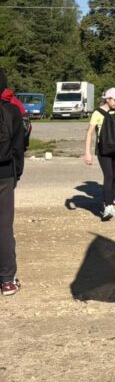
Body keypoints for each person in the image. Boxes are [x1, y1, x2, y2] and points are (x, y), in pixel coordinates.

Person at [82, 88, 115, 221]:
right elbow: (89, 133)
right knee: (108, 175)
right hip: (104, 150)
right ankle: (107, 206)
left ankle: (110, 204)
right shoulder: (97, 113)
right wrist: (87, 153)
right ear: (108, 99)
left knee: (114, 177)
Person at [0, 68, 26, 296]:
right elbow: (19, 148)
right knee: (4, 227)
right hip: (4, 174)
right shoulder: (11, 111)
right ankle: (7, 280)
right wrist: (17, 174)